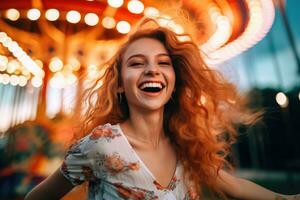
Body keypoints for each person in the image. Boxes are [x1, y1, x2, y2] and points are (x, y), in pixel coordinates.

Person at [25, 17, 300, 200]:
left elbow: (235, 185)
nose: (152, 70)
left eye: (163, 63)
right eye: (136, 63)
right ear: (120, 84)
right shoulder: (102, 145)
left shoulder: (185, 145)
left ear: (174, 81)